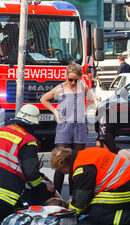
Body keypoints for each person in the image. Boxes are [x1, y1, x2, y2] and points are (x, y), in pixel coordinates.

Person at [0, 104, 46, 224]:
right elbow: (30, 173)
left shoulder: (2, 131)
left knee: (1, 212)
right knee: (15, 210)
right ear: (32, 124)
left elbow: (8, 157)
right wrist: (41, 187)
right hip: (8, 183)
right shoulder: (29, 141)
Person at [49, 147, 130, 225]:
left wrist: (70, 212)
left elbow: (80, 201)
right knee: (98, 203)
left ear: (65, 166)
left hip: (127, 187)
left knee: (96, 213)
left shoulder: (81, 169)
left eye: (62, 171)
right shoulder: (85, 154)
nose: (64, 173)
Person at [40, 62, 95, 197]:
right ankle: (56, 195)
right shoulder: (60, 88)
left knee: (76, 162)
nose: (73, 82)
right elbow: (44, 99)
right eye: (70, 79)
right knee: (61, 160)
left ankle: (73, 196)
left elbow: (92, 99)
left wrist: (85, 112)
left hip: (80, 125)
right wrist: (55, 112)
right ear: (66, 77)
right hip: (64, 125)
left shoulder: (82, 86)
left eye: (76, 79)